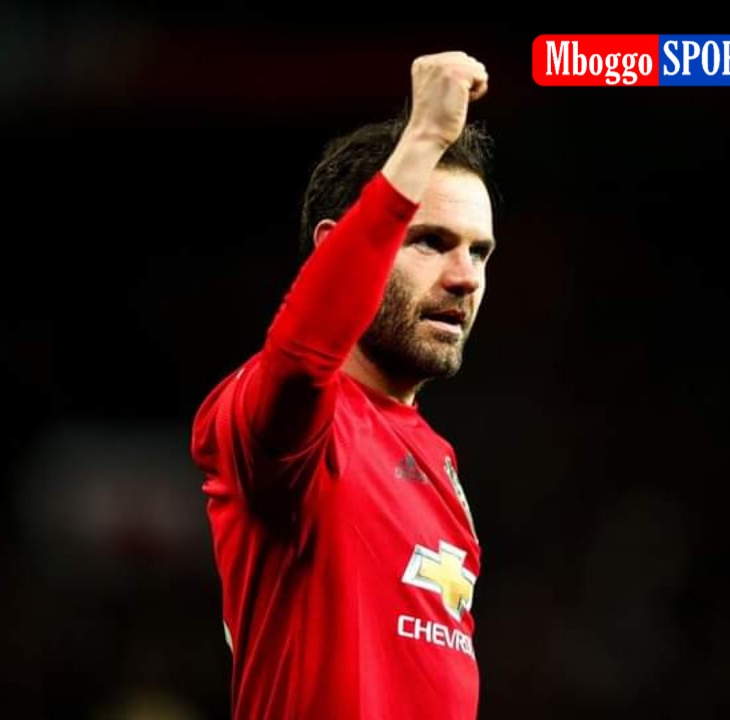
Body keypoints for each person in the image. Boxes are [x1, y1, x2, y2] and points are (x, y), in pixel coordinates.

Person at [191, 50, 499, 719]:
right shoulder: (284, 428)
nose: (465, 277)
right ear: (337, 248)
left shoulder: (440, 463)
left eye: (479, 251)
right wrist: (423, 138)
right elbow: (302, 358)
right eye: (430, 241)